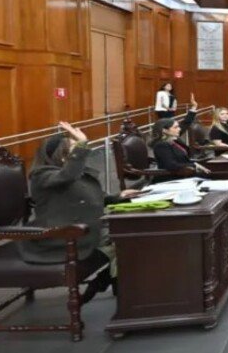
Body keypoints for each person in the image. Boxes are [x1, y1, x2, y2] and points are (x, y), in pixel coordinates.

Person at [19, 122, 141, 303]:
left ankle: (106, 284)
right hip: (62, 237)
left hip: (85, 230)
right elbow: (67, 177)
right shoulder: (42, 175)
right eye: (74, 148)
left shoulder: (74, 173)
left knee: (136, 237)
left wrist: (118, 196)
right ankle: (120, 293)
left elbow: (93, 197)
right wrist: (82, 144)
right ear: (62, 155)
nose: (79, 152)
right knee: (130, 241)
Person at [150, 93, 211, 182]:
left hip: (184, 174)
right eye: (176, 127)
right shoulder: (161, 145)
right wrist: (194, 165)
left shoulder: (173, 139)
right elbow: (171, 165)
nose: (179, 129)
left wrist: (194, 107)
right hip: (171, 179)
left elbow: (185, 123)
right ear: (165, 130)